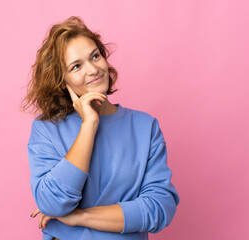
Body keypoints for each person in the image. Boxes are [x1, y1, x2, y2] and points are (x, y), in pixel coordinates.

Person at [21, 16, 180, 240]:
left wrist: (80, 217)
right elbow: (52, 203)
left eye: (95, 56)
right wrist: (89, 125)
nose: (93, 69)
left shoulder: (146, 127)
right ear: (61, 81)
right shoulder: (47, 128)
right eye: (76, 66)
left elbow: (159, 209)